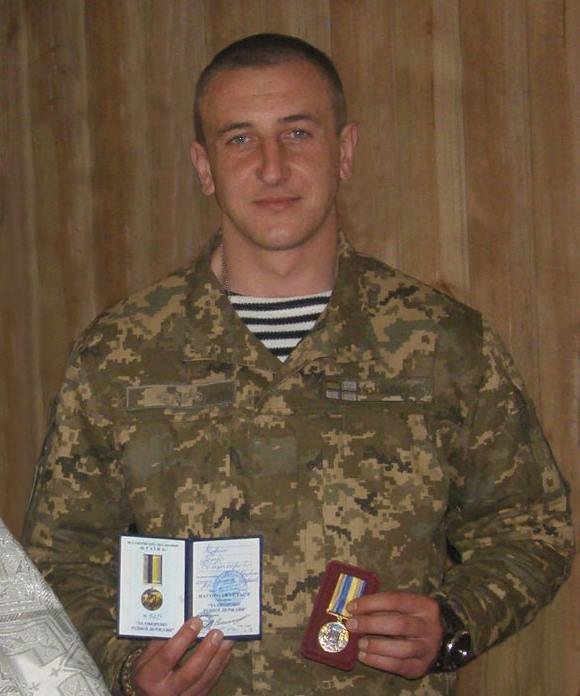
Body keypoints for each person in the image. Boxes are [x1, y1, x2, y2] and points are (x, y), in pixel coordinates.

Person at [22, 33, 574, 696]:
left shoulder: (442, 343)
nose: (272, 167)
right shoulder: (120, 353)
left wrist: (456, 622)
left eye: (298, 133)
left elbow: (531, 527)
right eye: (239, 139)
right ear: (204, 167)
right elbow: (63, 557)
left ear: (344, 151)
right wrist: (124, 666)